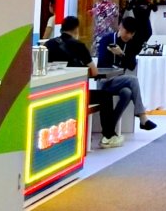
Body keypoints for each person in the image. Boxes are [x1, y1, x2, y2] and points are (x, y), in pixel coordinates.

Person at [45, 16, 132, 148]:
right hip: (75, 93)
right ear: (76, 29)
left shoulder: (49, 44)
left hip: (53, 93)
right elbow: (94, 72)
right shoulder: (79, 46)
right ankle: (108, 136)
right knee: (105, 96)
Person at [98, 15, 158, 146]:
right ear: (120, 27)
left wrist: (121, 54)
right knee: (133, 80)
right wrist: (113, 55)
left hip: (120, 80)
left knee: (127, 93)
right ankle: (142, 117)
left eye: (132, 34)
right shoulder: (107, 39)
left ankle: (108, 131)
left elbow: (131, 65)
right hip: (105, 80)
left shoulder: (131, 43)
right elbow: (101, 64)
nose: (129, 36)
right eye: (127, 32)